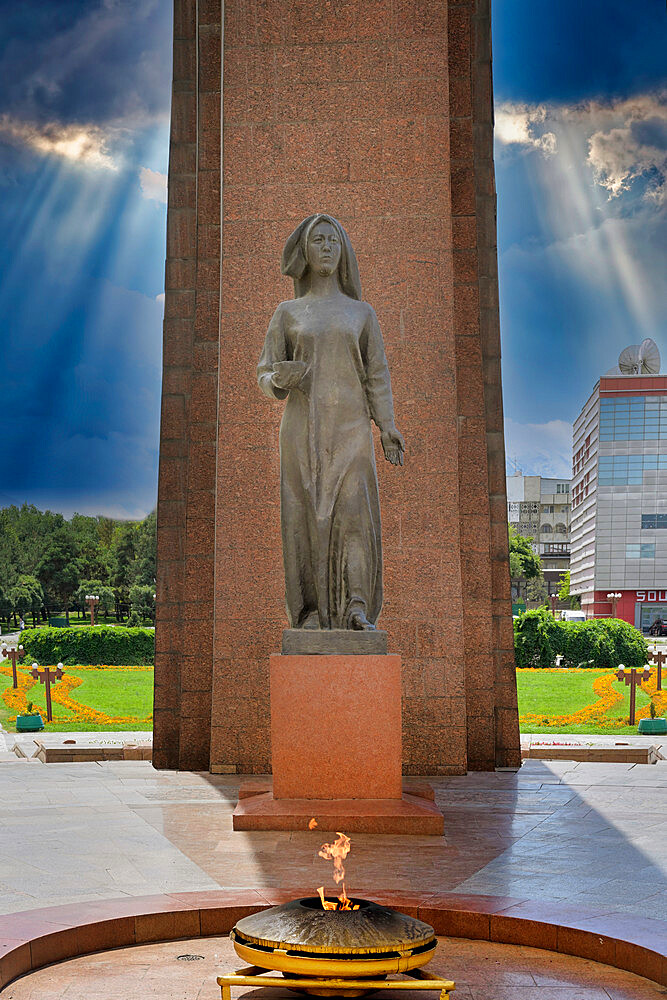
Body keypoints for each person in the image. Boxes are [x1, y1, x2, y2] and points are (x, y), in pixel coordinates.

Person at [258, 214, 405, 632]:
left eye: (333, 241)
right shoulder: (287, 313)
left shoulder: (361, 313)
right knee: (302, 519)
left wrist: (387, 424)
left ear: (343, 254)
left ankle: (355, 607)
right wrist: (278, 382)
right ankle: (307, 614)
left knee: (354, 514)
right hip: (302, 432)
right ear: (305, 251)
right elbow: (264, 374)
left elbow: (377, 373)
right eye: (318, 240)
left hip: (352, 430)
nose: (326, 247)